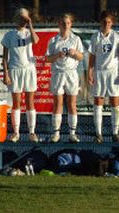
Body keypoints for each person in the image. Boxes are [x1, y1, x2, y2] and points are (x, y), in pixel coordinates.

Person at [88, 11, 119, 144]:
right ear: (100, 22)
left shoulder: (117, 37)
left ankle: (115, 133)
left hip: (113, 73)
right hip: (99, 72)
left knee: (115, 102)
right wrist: (90, 71)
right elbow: (92, 56)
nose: (106, 24)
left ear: (112, 23)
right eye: (104, 22)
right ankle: (98, 134)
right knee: (98, 102)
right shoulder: (95, 37)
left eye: (109, 22)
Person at [2, 8, 40, 143]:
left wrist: (30, 24)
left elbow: (36, 41)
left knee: (30, 102)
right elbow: (5, 58)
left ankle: (32, 132)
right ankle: (16, 133)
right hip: (15, 70)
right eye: (21, 18)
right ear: (16, 18)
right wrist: (5, 74)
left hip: (29, 70)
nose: (23, 20)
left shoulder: (29, 33)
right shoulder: (9, 35)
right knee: (16, 103)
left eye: (26, 18)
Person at [45, 13, 84, 143]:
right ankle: (56, 134)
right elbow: (48, 59)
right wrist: (57, 56)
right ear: (59, 24)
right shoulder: (53, 40)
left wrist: (75, 53)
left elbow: (81, 57)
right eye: (63, 23)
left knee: (72, 104)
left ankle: (72, 134)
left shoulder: (76, 39)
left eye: (67, 23)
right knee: (58, 103)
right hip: (58, 74)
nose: (65, 25)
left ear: (71, 24)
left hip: (71, 74)